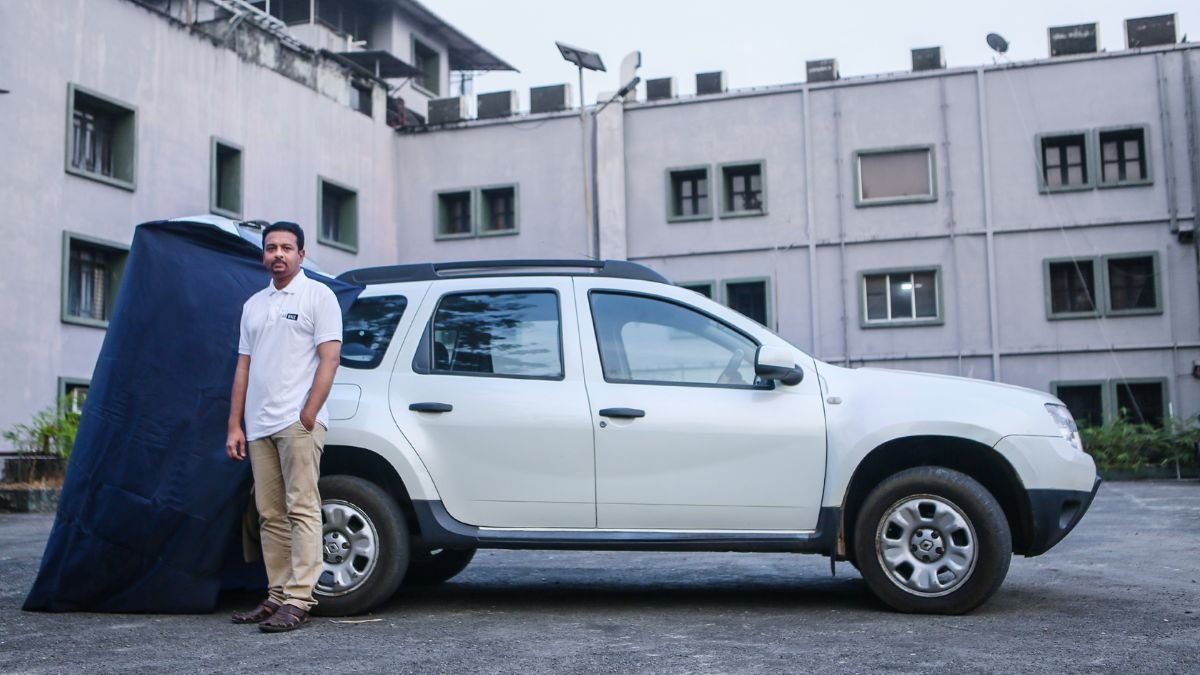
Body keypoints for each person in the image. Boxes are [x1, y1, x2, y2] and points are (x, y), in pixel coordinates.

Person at [226, 221, 342, 633]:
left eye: (287, 248)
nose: (278, 254)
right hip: (258, 426)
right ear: (263, 254)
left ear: (301, 254)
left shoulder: (318, 296)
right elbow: (244, 366)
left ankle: (298, 599)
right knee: (270, 514)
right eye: (271, 247)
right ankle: (277, 596)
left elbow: (330, 359)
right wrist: (235, 425)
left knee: (302, 508)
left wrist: (308, 413)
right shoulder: (254, 305)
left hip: (297, 424)